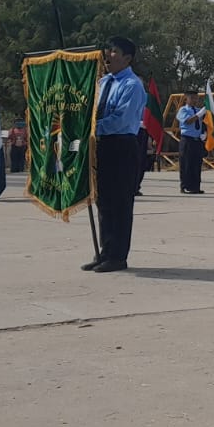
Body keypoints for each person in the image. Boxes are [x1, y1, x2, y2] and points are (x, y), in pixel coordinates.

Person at [85, 37, 145, 272]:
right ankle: (105, 251)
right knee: (104, 200)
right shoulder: (103, 82)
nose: (107, 55)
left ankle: (118, 256)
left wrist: (91, 128)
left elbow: (120, 120)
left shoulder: (132, 85)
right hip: (102, 145)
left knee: (120, 202)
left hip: (121, 145)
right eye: (107, 50)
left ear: (127, 58)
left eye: (113, 51)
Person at [176, 91, 207, 194]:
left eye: (196, 98)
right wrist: (199, 115)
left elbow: (205, 123)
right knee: (186, 163)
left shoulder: (199, 110)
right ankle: (185, 186)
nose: (195, 100)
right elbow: (188, 121)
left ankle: (195, 186)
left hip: (197, 140)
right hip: (187, 139)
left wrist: (204, 132)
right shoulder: (183, 110)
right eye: (192, 98)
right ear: (187, 99)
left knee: (196, 164)